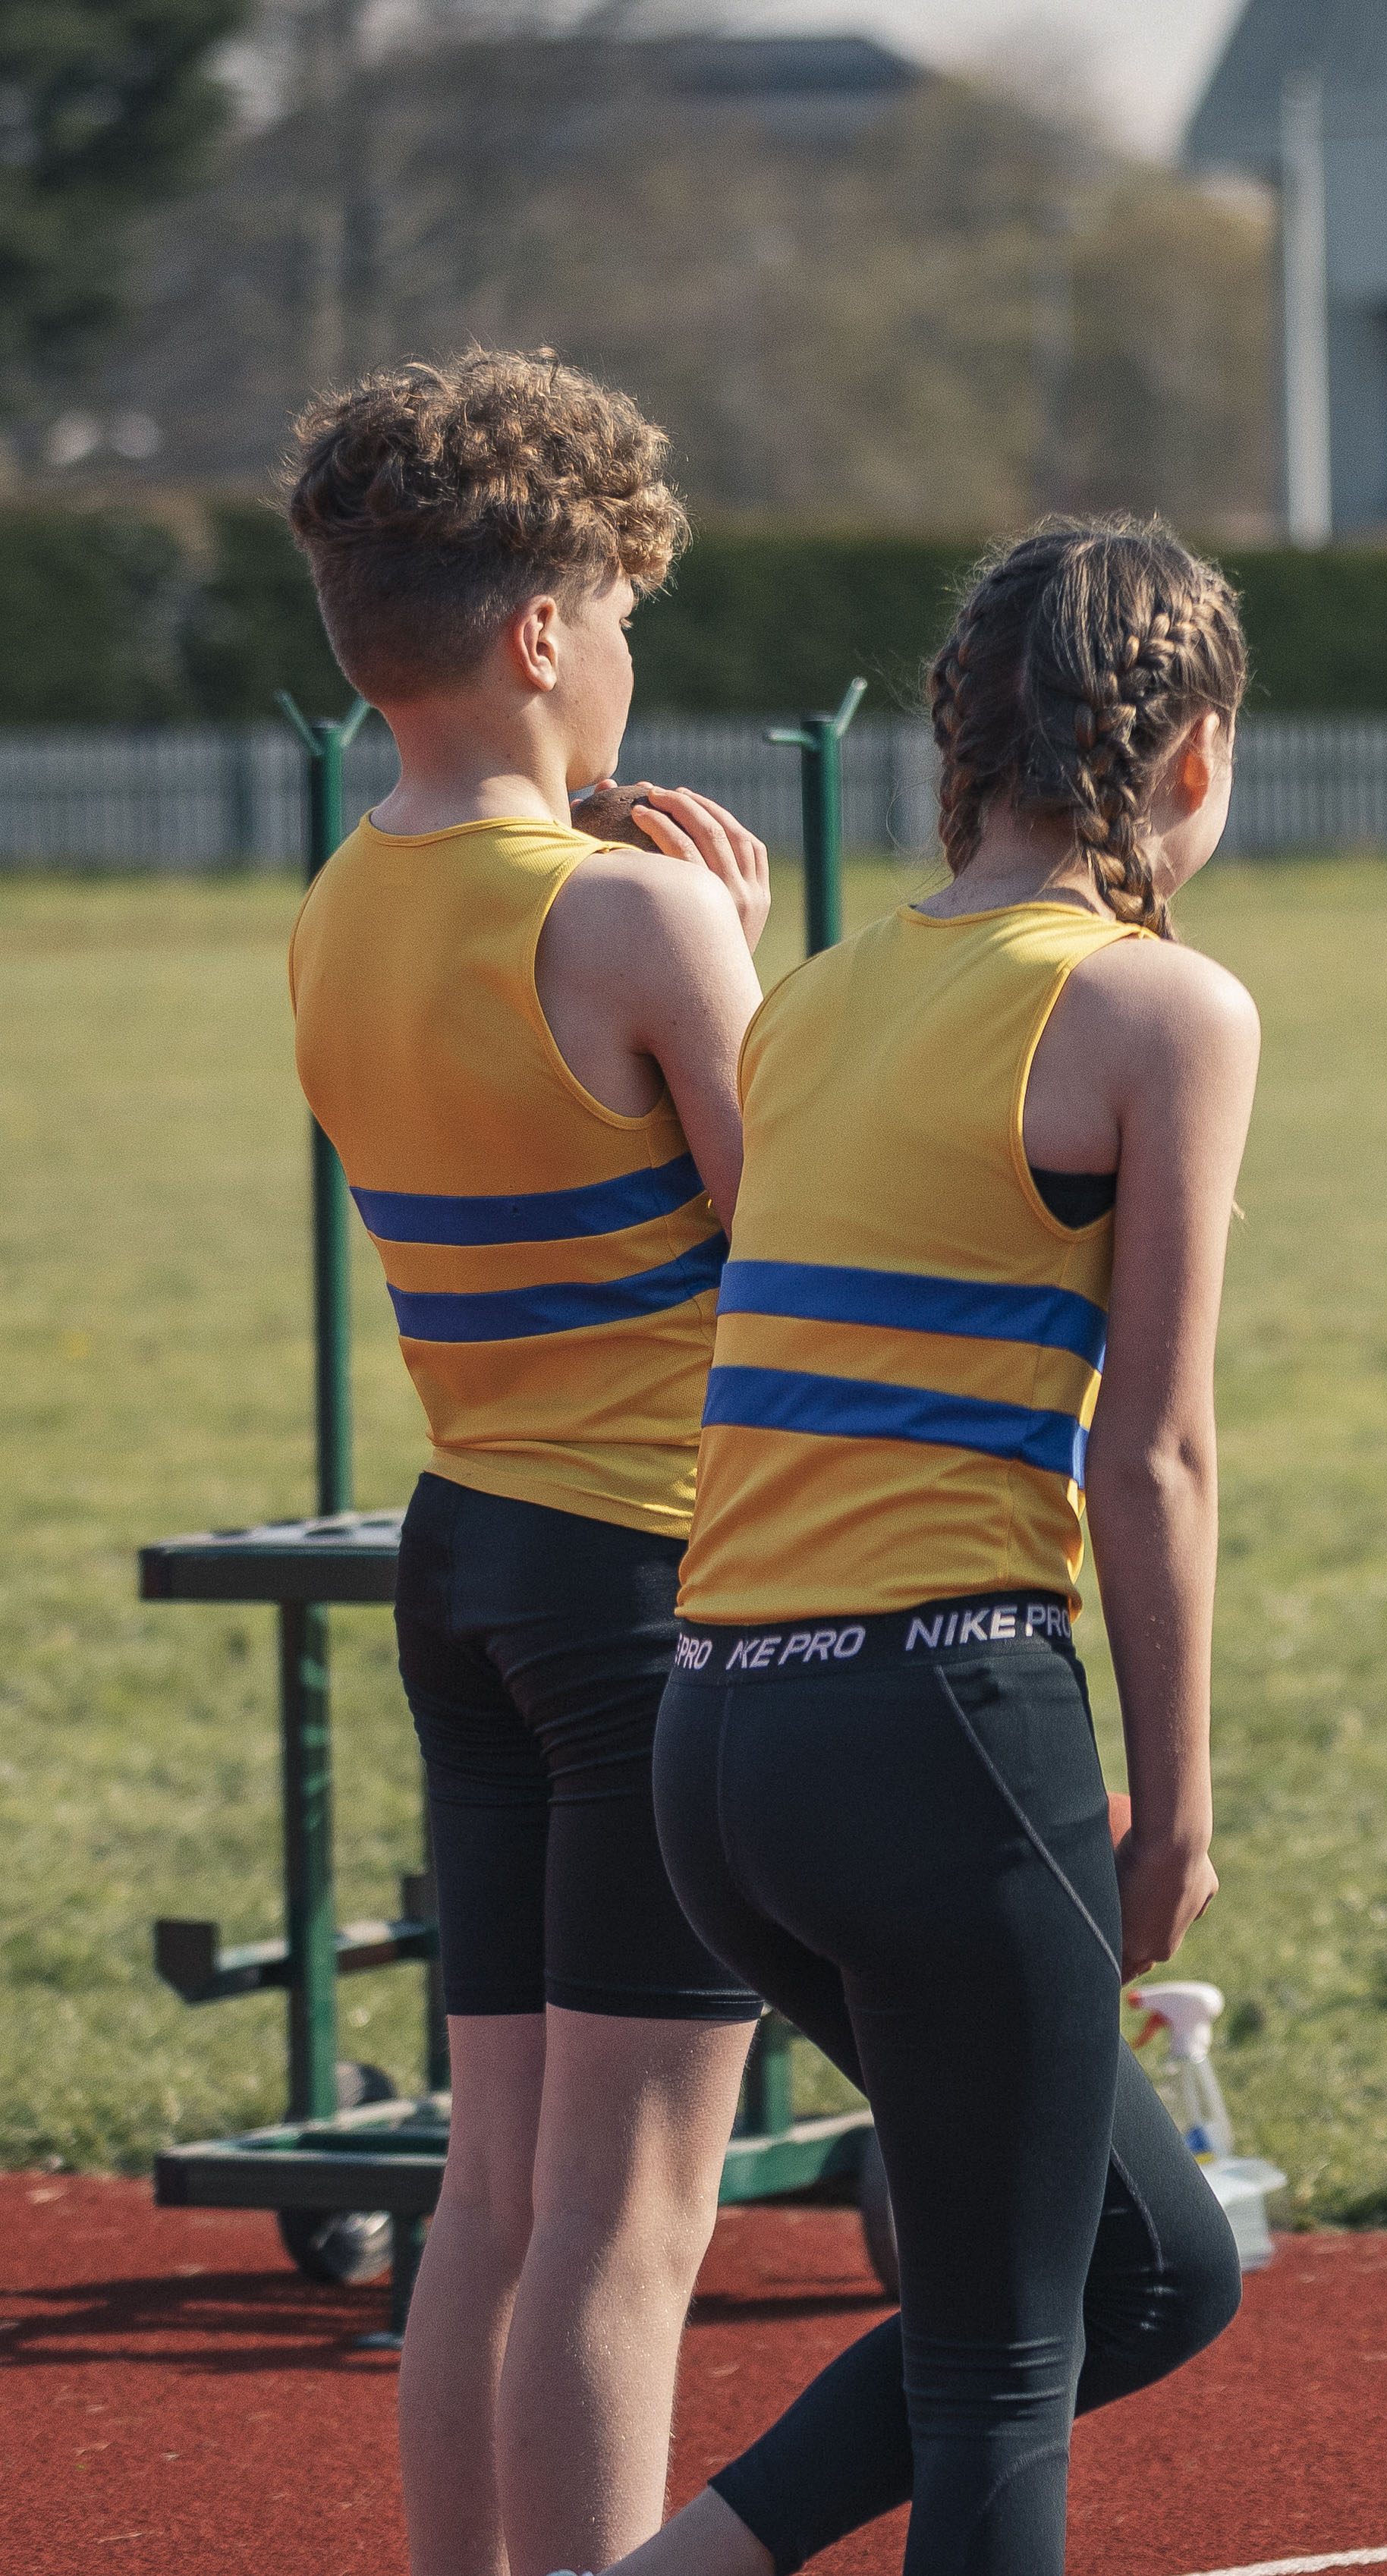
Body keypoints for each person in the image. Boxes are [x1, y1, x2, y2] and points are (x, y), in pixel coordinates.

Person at [605, 521, 1260, 2576]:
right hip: (937, 1730)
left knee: (1151, 2269)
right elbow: (1149, 1453)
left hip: (720, 1744)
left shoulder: (806, 998)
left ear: (953, 748)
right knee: (997, 2352)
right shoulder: (1164, 1008)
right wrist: (1182, 1805)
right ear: (1197, 762)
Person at [278, 350, 785, 2576]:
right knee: (630, 2215)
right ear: (545, 633)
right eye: (626, 611)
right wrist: (746, 956)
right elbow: (812, 1241)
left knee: (489, 2192)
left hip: (464, 1553)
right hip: (654, 1581)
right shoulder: (641, 916)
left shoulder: (328, 911)